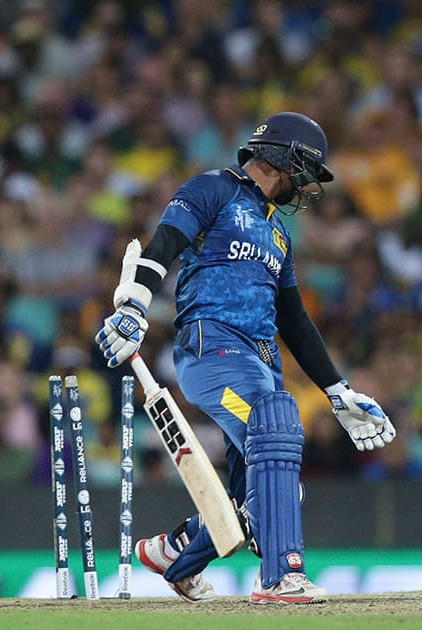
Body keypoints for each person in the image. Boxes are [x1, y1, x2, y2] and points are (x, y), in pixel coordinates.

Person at [94, 112, 397, 605]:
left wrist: (338, 391)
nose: (306, 186)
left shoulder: (278, 233)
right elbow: (165, 243)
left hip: (261, 360)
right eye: (307, 170)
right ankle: (280, 579)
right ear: (284, 156)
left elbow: (294, 320)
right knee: (274, 430)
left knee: (261, 495)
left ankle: (174, 552)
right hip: (211, 346)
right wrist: (135, 305)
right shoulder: (214, 188)